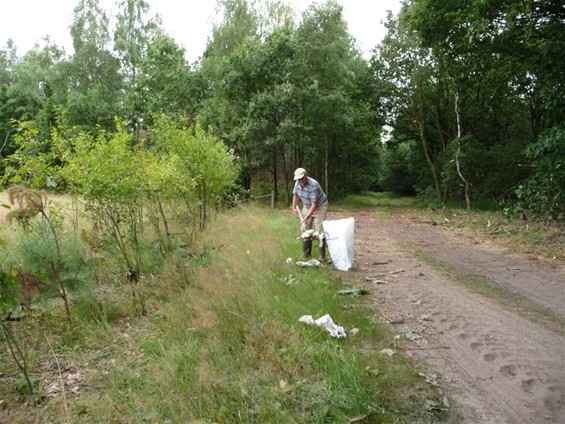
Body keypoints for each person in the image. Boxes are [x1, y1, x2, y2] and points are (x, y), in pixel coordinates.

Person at [291, 167, 328, 262]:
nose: (300, 181)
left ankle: (322, 257)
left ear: (306, 176)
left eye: (301, 178)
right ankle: (306, 254)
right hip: (307, 206)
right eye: (298, 179)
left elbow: (314, 204)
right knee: (305, 229)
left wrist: (307, 217)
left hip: (319, 206)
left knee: (320, 231)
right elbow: (296, 195)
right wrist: (294, 207)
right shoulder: (297, 183)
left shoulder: (313, 185)